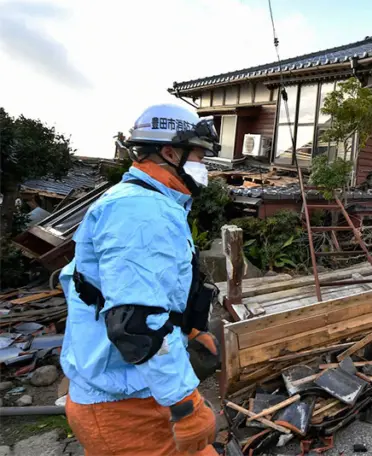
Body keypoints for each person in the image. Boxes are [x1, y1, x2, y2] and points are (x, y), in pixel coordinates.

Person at [60, 104, 222, 455]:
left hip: (134, 392)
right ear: (170, 152)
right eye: (199, 155)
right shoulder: (142, 212)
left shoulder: (147, 202)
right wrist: (187, 406)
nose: (204, 165)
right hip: (123, 407)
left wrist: (190, 329)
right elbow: (137, 324)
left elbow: (142, 291)